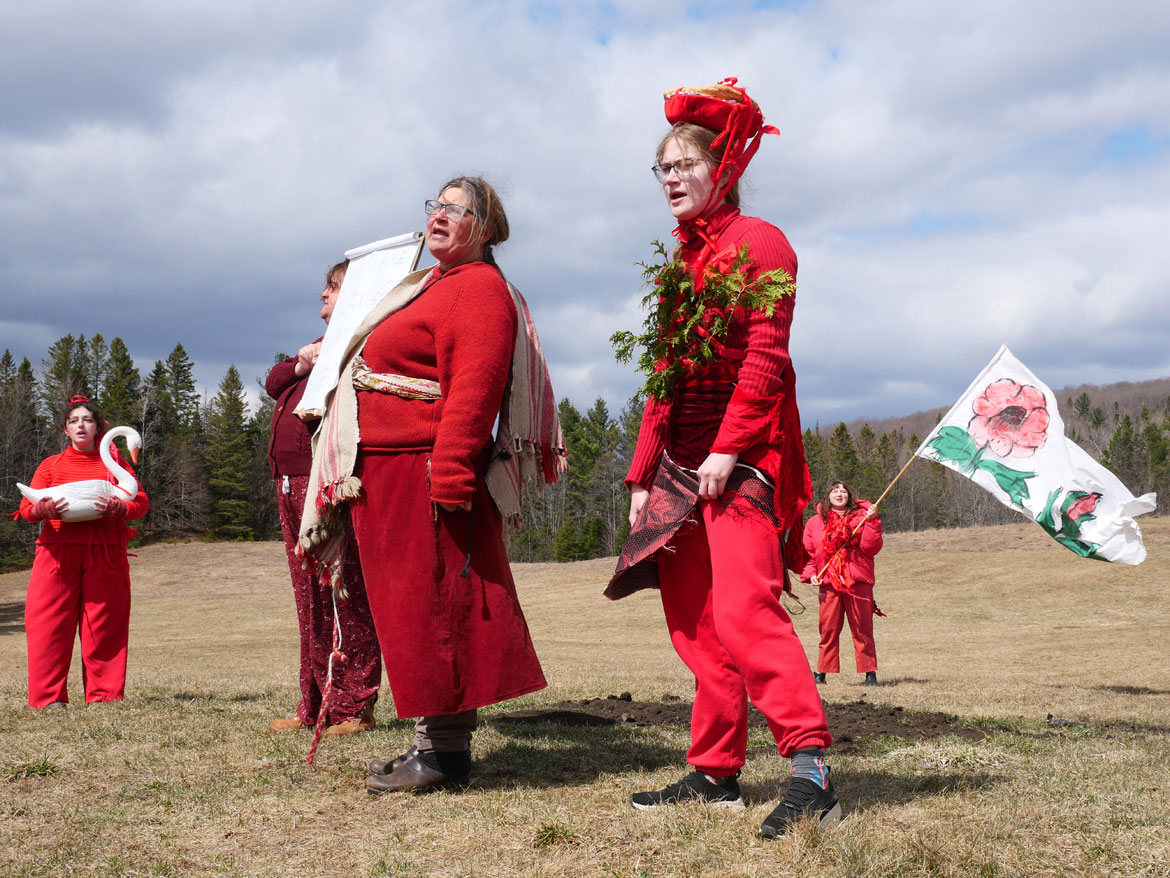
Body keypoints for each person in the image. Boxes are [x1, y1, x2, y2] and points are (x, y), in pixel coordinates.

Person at [606, 78, 839, 839]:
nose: (670, 178)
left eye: (684, 165)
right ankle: (715, 772)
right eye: (661, 168)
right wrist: (643, 476)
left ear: (726, 166)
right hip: (680, 465)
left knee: (744, 611)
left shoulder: (761, 244)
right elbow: (663, 381)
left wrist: (732, 447)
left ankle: (811, 768)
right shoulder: (677, 268)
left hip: (745, 458)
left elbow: (767, 360)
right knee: (696, 624)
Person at [299, 176, 564, 793]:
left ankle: (445, 754)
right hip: (387, 474)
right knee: (410, 614)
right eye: (434, 206)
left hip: (425, 471)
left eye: (454, 208)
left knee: (439, 609)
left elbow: (474, 387)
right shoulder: (431, 285)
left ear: (487, 227)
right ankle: (429, 742)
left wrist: (449, 475)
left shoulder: (479, 290)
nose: (438, 216)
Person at [265, 259, 382, 737]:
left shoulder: (362, 346)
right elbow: (274, 382)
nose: (322, 296)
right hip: (289, 484)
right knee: (308, 599)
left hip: (330, 484)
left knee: (343, 594)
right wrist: (301, 363)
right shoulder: (319, 350)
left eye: (331, 288)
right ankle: (313, 704)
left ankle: (356, 706)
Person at [19, 395, 149, 708]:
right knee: (48, 625)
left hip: (105, 553)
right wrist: (44, 510)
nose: (81, 425)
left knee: (104, 624)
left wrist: (120, 507)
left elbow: (140, 503)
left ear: (98, 428)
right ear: (65, 429)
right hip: (57, 554)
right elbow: (26, 508)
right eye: (74, 420)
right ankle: (49, 699)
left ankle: (104, 697)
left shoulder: (114, 467)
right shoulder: (51, 466)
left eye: (87, 420)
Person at [802, 481, 883, 686]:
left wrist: (872, 522)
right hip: (829, 581)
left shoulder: (863, 517)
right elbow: (811, 554)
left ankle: (869, 673)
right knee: (828, 629)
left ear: (849, 496)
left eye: (843, 491)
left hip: (857, 580)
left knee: (862, 628)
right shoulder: (814, 522)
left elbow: (871, 548)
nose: (839, 494)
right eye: (835, 491)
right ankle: (822, 672)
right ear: (827, 496)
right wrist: (811, 573)